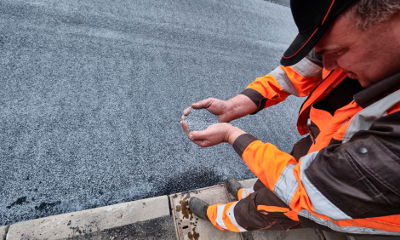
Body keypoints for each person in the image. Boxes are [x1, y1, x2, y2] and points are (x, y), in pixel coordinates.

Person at [180, 0, 400, 236]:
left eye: (338, 51)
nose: (328, 65)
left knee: (273, 205)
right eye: (323, 51)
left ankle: (226, 218)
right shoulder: (355, 41)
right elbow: (295, 73)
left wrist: (231, 134)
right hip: (323, 144)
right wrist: (235, 106)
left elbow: (302, 190)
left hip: (345, 199)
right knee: (274, 180)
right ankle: (251, 195)